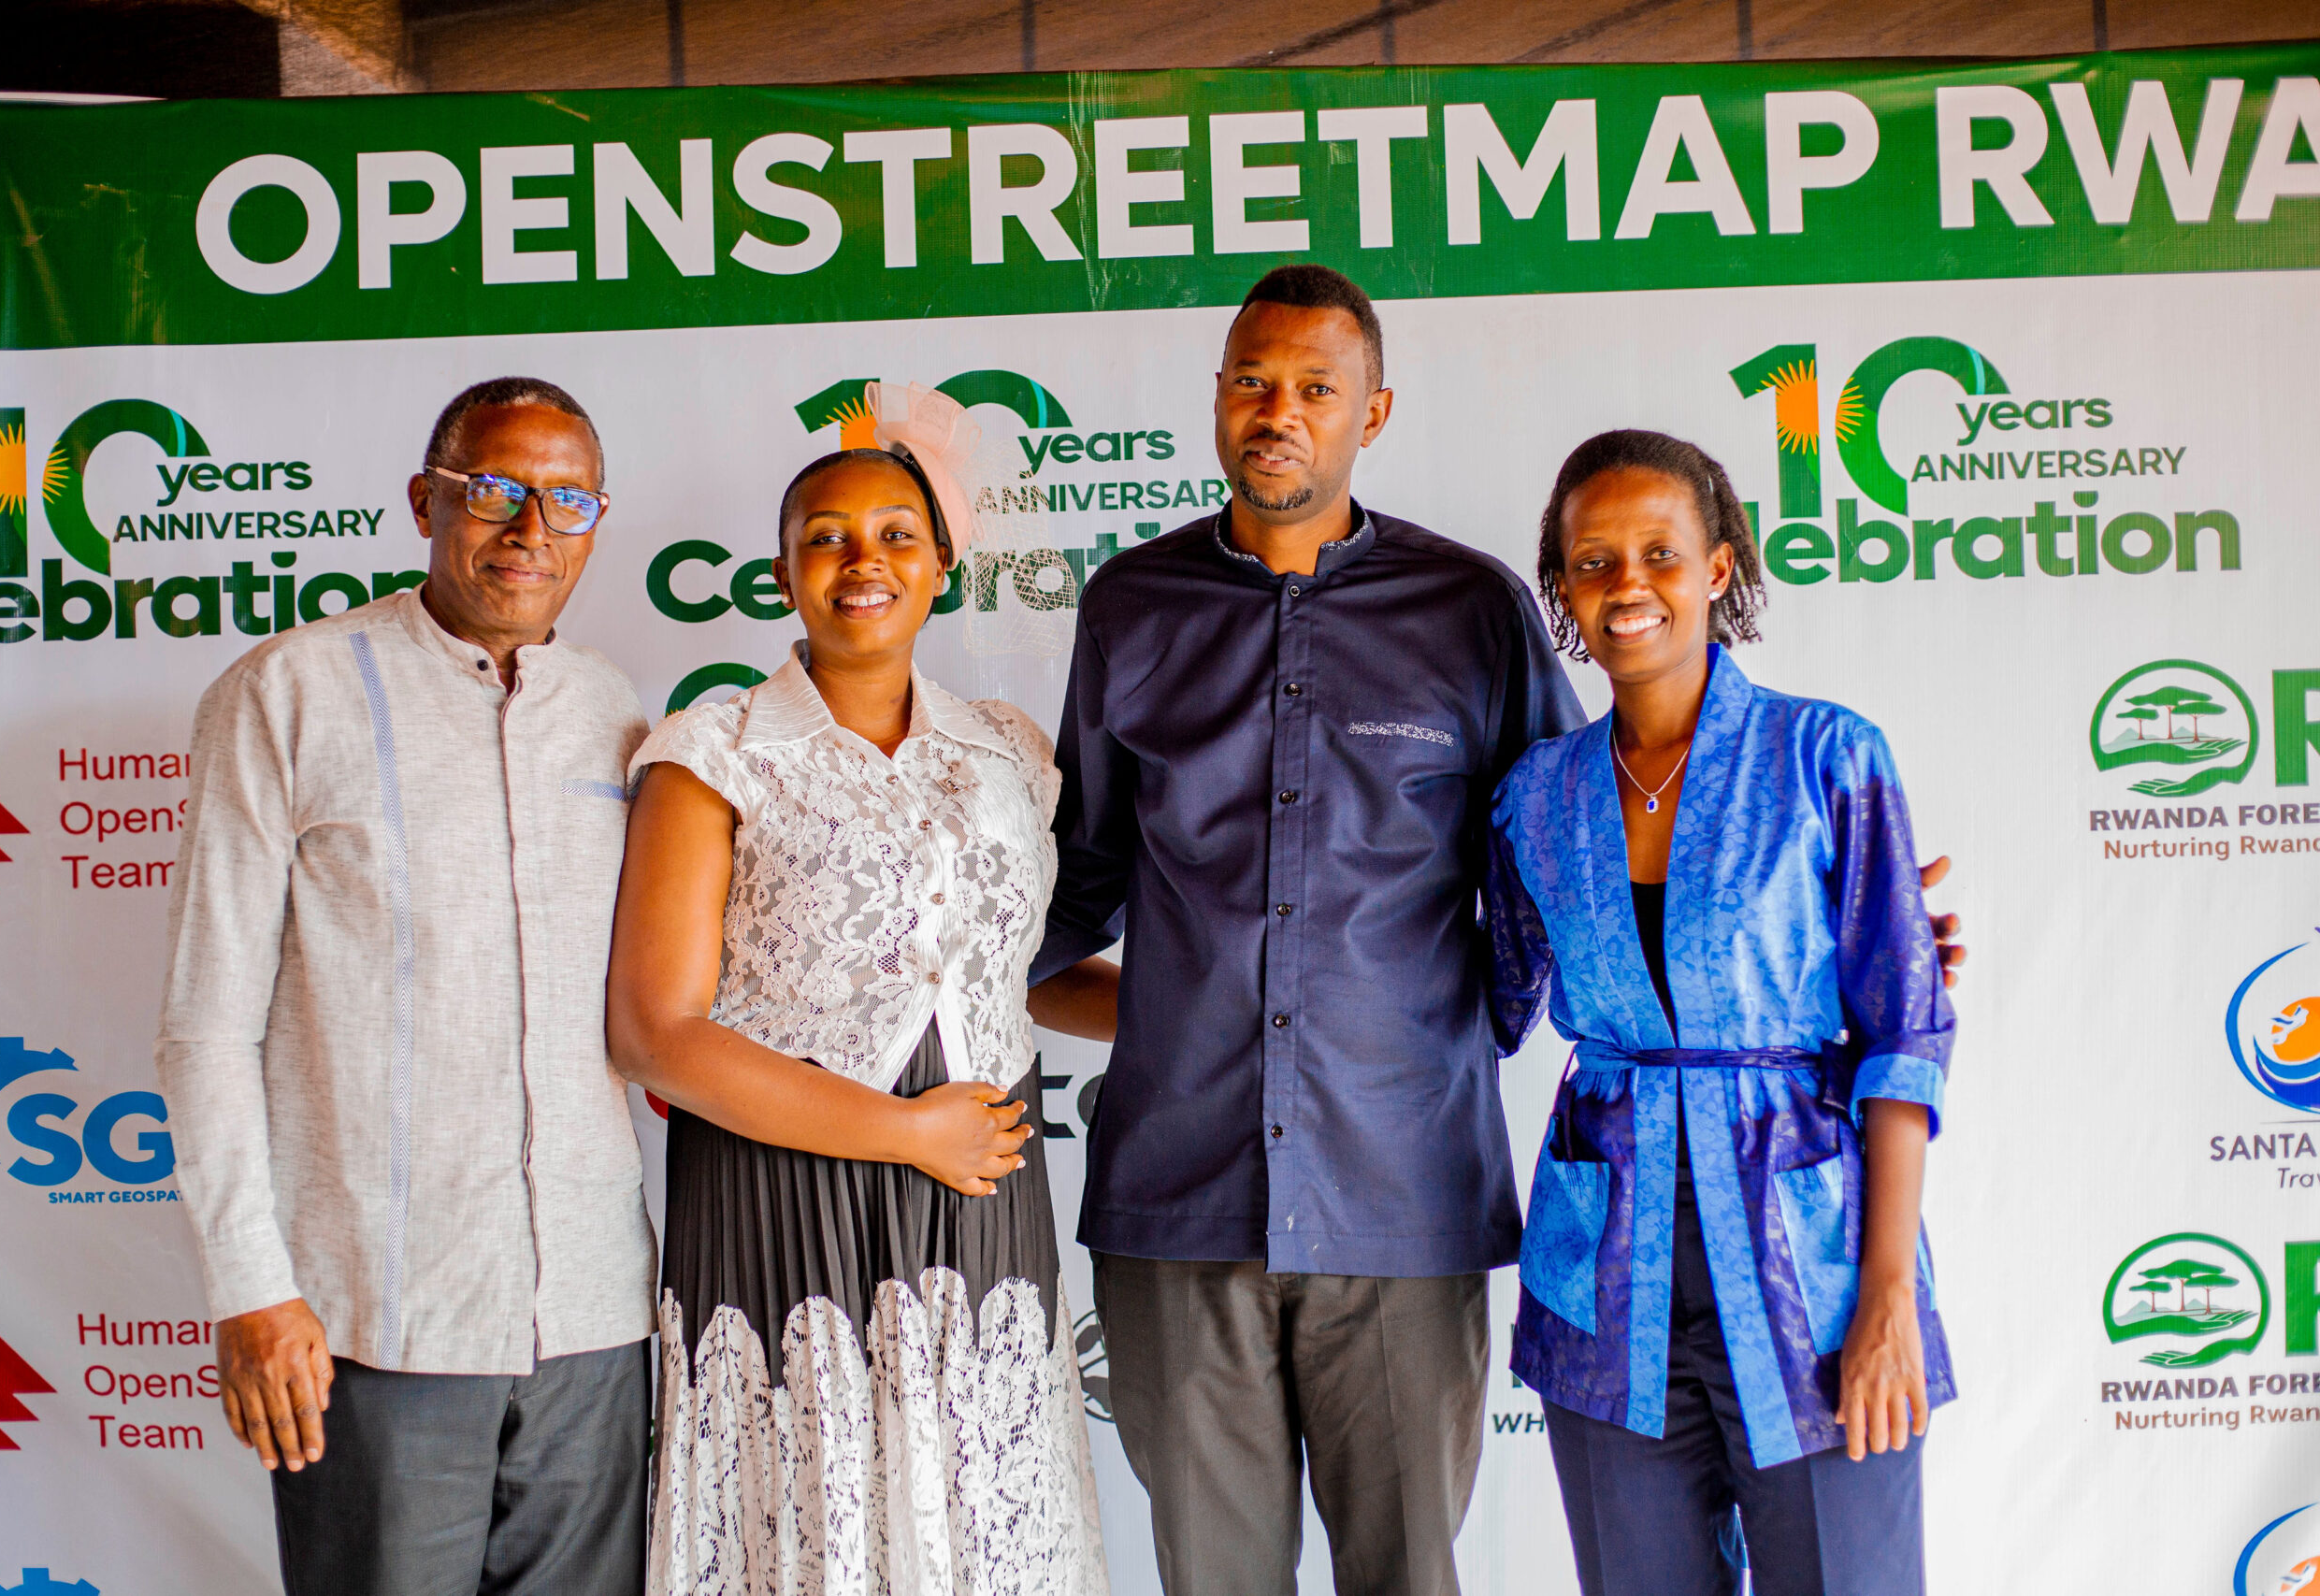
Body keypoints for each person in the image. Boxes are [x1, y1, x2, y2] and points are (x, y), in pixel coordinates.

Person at [1020, 264, 1580, 1596]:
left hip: (1402, 1191)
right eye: (1253, 382)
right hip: (1180, 1197)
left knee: (1407, 1574)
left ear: (1371, 412)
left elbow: (1573, 862)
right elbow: (1066, 883)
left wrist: (1817, 925)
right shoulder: (1131, 605)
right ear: (1219, 396)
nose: (1279, 412)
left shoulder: (1471, 608)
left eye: (1316, 389)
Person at [154, 377, 658, 1595]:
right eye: (494, 490)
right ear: (426, 501)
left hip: (593, 1319)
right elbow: (206, 1026)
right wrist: (251, 1288)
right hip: (373, 1321)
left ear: (597, 524)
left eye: (568, 500)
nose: (530, 527)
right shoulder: (287, 692)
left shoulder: (611, 709)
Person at [605, 384, 1108, 1596]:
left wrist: (1221, 1013)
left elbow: (1014, 969)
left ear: (941, 565)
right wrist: (905, 1132)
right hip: (788, 1196)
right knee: (816, 1527)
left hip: (984, 1212)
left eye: (895, 534)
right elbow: (654, 1031)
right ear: (782, 571)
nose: (862, 559)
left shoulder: (1009, 752)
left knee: (989, 1530)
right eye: (826, 537)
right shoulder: (714, 750)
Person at [1485, 429, 1956, 1596]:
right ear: (1560, 590)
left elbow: (1903, 1038)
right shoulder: (1534, 797)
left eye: (1659, 553)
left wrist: (1888, 1297)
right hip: (1606, 1297)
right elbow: (1478, 1001)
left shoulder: (1823, 756)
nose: (1627, 585)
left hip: (1814, 1285)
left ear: (1718, 568)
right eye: (1592, 562)